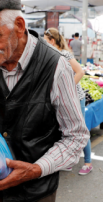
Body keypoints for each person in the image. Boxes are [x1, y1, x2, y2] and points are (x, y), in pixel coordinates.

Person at [0, 0, 89, 201]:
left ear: (19, 26)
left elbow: (76, 136)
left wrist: (35, 169)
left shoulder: (55, 66)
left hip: (36, 193)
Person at [44, 28, 92, 175]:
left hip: (76, 97)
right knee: (65, 128)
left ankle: (88, 162)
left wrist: (68, 89)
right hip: (62, 99)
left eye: (46, 41)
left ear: (52, 41)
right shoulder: (50, 55)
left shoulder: (64, 54)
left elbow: (80, 72)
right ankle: (70, 160)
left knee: (79, 128)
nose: (44, 44)